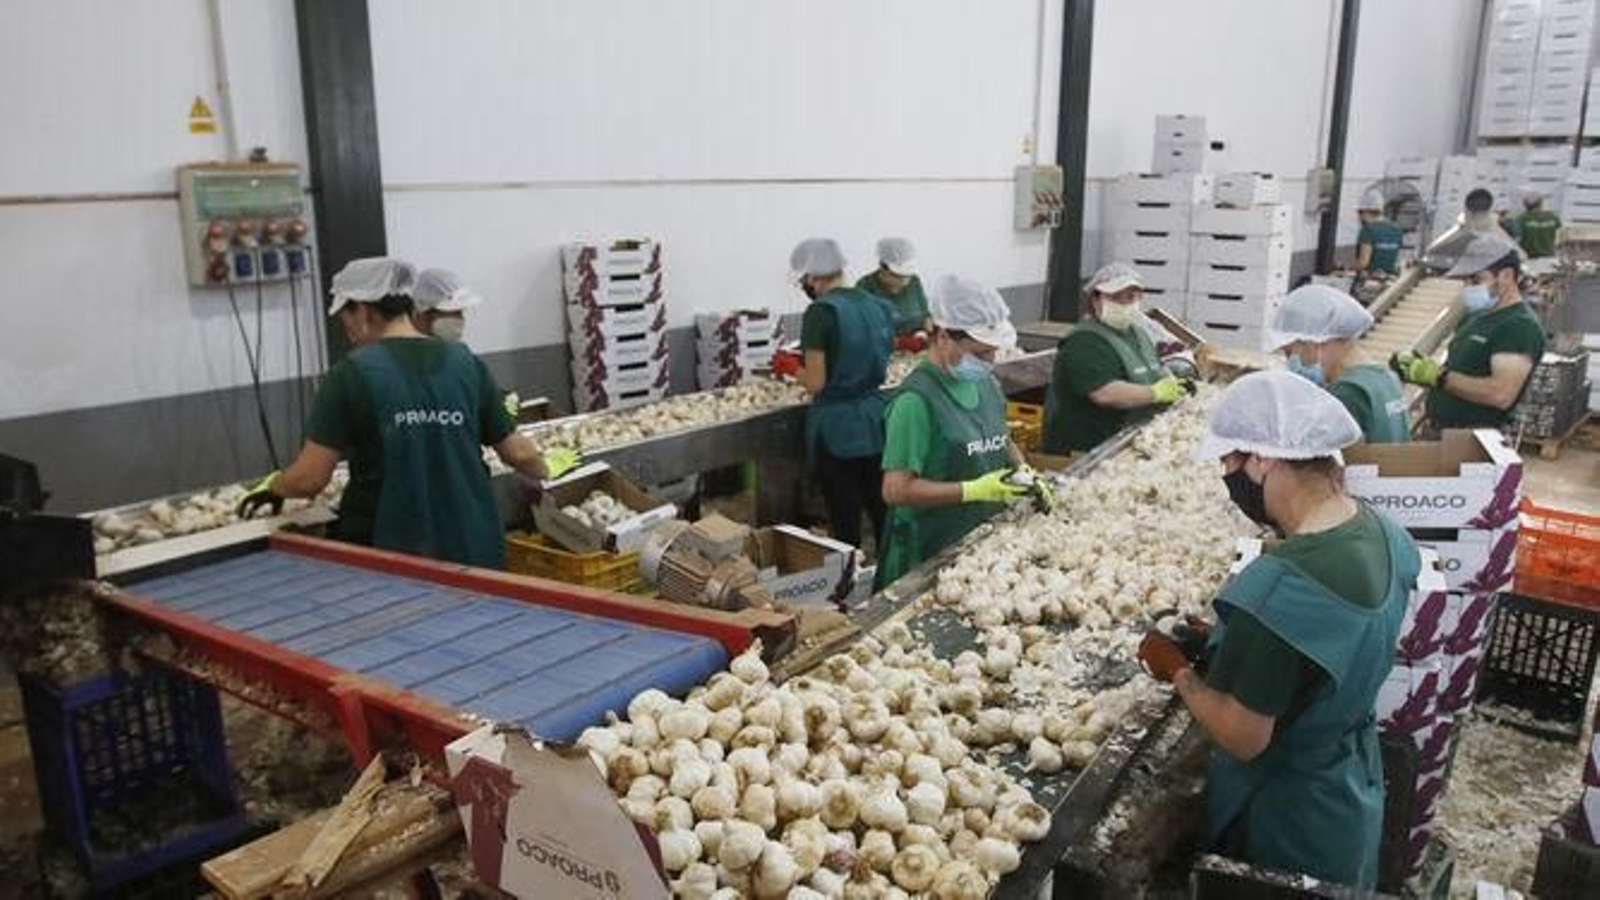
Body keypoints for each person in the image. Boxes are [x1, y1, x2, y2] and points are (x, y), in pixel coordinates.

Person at [1138, 370, 1421, 889]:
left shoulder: (1278, 587)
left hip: (1286, 820)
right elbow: (1321, 650)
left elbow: (1242, 735)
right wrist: (1224, 642)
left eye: (1230, 462)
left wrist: (1178, 670)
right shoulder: (1384, 533)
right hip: (1348, 791)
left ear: (1263, 459)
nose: (1228, 479)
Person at [236, 257, 575, 568]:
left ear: (364, 309)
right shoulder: (465, 364)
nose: (347, 328)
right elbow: (517, 452)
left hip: (392, 555)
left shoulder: (350, 374)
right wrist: (546, 467)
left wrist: (277, 487)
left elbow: (310, 479)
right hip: (474, 547)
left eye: (346, 316)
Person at [877, 275, 1031, 588]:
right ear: (944, 336)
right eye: (980, 352)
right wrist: (971, 490)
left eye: (992, 352)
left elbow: (998, 433)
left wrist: (1023, 470)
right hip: (928, 552)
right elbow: (895, 490)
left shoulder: (984, 382)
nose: (989, 362)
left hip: (978, 542)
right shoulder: (915, 401)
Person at [794, 238, 898, 551]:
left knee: (845, 517)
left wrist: (790, 368)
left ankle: (848, 585)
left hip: (837, 426)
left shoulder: (820, 312)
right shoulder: (877, 305)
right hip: (873, 416)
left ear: (813, 277)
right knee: (880, 508)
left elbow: (815, 383)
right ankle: (887, 576)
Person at [1392, 233, 1545, 431]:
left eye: (1476, 279)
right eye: (1466, 280)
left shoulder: (1519, 326)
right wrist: (1420, 372)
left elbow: (1500, 394)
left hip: (1473, 440)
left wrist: (1438, 376)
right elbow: (1461, 373)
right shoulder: (1475, 318)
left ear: (1506, 276)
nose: (1467, 287)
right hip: (1441, 430)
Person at [1040, 263, 1193, 455]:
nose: (1124, 303)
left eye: (1130, 296)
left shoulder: (1137, 333)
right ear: (1095, 300)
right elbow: (1105, 393)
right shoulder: (1084, 341)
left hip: (1127, 440)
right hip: (1085, 451)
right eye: (1114, 297)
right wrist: (1155, 393)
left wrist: (1173, 382)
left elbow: (1155, 368)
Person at [1270, 284, 1409, 442]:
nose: (1291, 363)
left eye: (1290, 353)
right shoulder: (1386, 378)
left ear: (1315, 342)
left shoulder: (1348, 391)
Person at [857, 237, 932, 338]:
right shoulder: (865, 287)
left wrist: (929, 332)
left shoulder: (914, 282)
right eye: (899, 276)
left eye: (908, 276)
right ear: (883, 268)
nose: (905, 282)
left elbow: (925, 317)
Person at [411, 268, 483, 343]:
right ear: (422, 316)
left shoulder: (455, 350)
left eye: (460, 312)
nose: (459, 319)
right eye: (452, 312)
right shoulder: (405, 351)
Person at [1355, 189, 1403, 275]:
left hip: (1370, 280)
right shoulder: (1396, 229)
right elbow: (1396, 259)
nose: (1359, 217)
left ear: (1365, 211)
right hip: (1389, 279)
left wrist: (1348, 268)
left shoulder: (1368, 230)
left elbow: (1363, 263)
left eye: (1359, 213)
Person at [1514, 190, 1562, 259]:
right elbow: (1559, 236)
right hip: (1549, 257)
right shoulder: (1553, 217)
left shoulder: (1520, 219)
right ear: (1541, 203)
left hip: (1530, 258)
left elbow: (1516, 239)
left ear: (1525, 205)